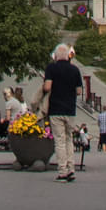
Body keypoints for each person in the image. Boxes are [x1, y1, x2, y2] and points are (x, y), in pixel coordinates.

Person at [36, 41, 90, 179]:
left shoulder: (51, 68)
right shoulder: (75, 70)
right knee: (68, 139)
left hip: (55, 109)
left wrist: (42, 91)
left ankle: (62, 171)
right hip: (70, 109)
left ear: (56, 56)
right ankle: (71, 168)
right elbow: (78, 91)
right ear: (67, 56)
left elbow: (47, 87)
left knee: (59, 141)